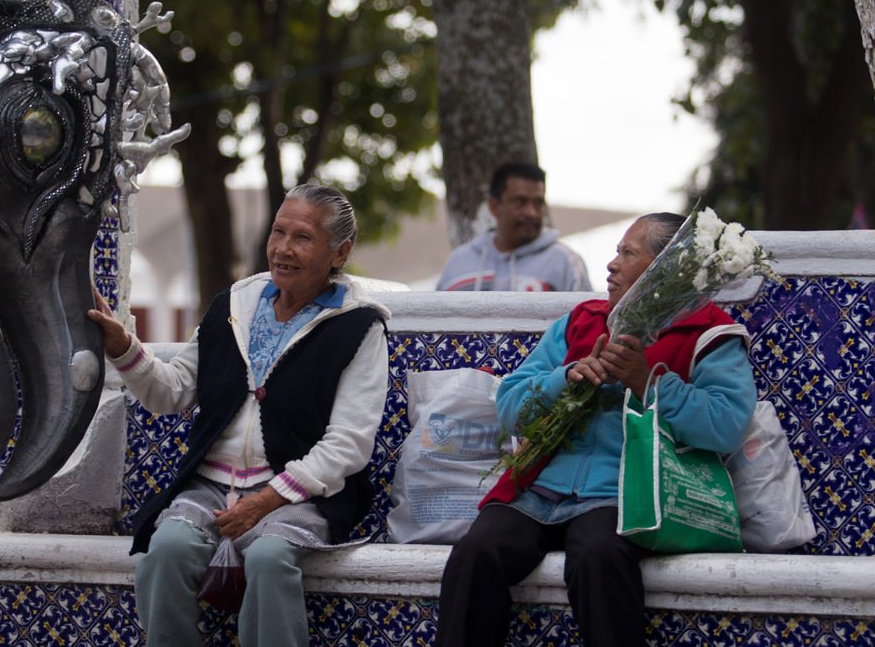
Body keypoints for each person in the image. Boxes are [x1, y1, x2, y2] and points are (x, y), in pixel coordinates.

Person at [434, 213, 757, 647]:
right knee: (475, 554)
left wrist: (648, 381)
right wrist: (563, 379)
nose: (611, 264)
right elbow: (510, 406)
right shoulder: (581, 321)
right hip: (539, 492)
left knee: (599, 558)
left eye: (627, 253)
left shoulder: (710, 333)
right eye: (616, 252)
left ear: (668, 266)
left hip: (623, 496)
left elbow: (726, 426)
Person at [88, 184, 390, 647]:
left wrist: (267, 499)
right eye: (278, 232)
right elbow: (170, 392)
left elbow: (349, 443)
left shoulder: (358, 326)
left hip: (297, 496)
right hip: (210, 486)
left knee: (270, 558)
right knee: (165, 550)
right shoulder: (234, 306)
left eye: (303, 238)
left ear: (340, 252)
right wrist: (124, 349)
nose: (283, 249)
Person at [435, 162, 591, 292]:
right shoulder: (458, 263)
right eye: (520, 202)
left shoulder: (564, 261)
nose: (531, 213)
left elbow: (587, 324)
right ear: (494, 206)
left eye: (538, 203)